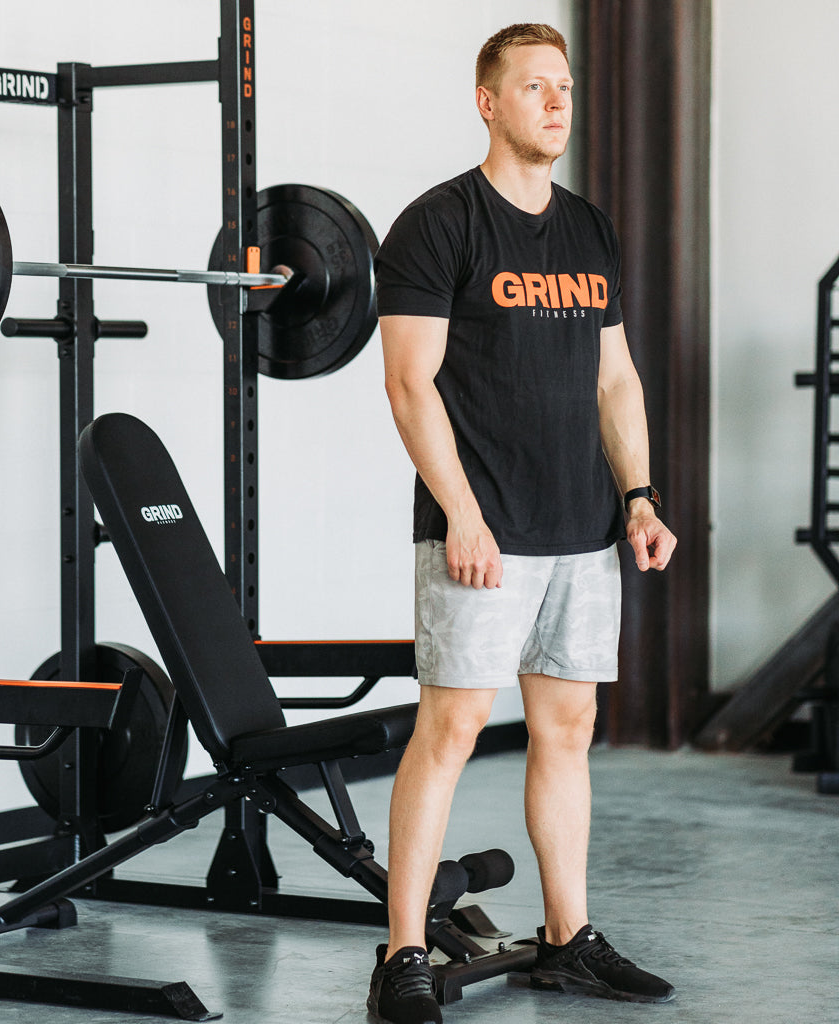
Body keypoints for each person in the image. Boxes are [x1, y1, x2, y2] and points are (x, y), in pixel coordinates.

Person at [366, 23, 678, 1024]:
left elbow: (615, 377)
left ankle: (564, 936)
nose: (556, 102)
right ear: (486, 101)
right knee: (450, 728)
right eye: (535, 87)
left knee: (567, 730)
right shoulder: (437, 223)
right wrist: (460, 510)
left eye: (566, 87)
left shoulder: (589, 230)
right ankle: (403, 951)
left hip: (581, 529)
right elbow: (409, 385)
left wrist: (638, 494)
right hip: (481, 532)